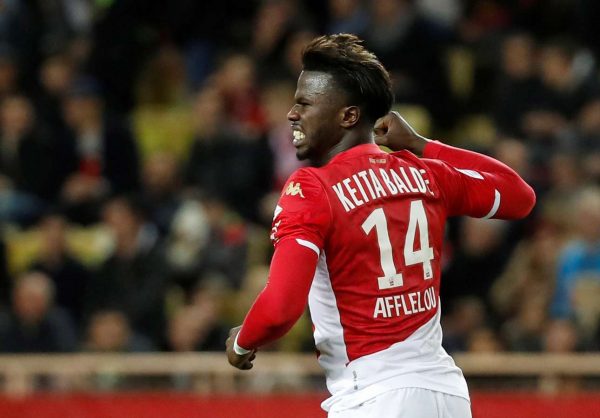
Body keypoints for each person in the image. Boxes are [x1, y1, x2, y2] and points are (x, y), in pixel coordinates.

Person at [225, 34, 536, 418]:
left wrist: (242, 342)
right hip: (447, 393)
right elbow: (519, 196)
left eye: (305, 103)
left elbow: (280, 308)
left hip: (374, 395)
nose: (292, 113)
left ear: (348, 116)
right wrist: (423, 144)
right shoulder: (424, 174)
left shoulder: (312, 189)